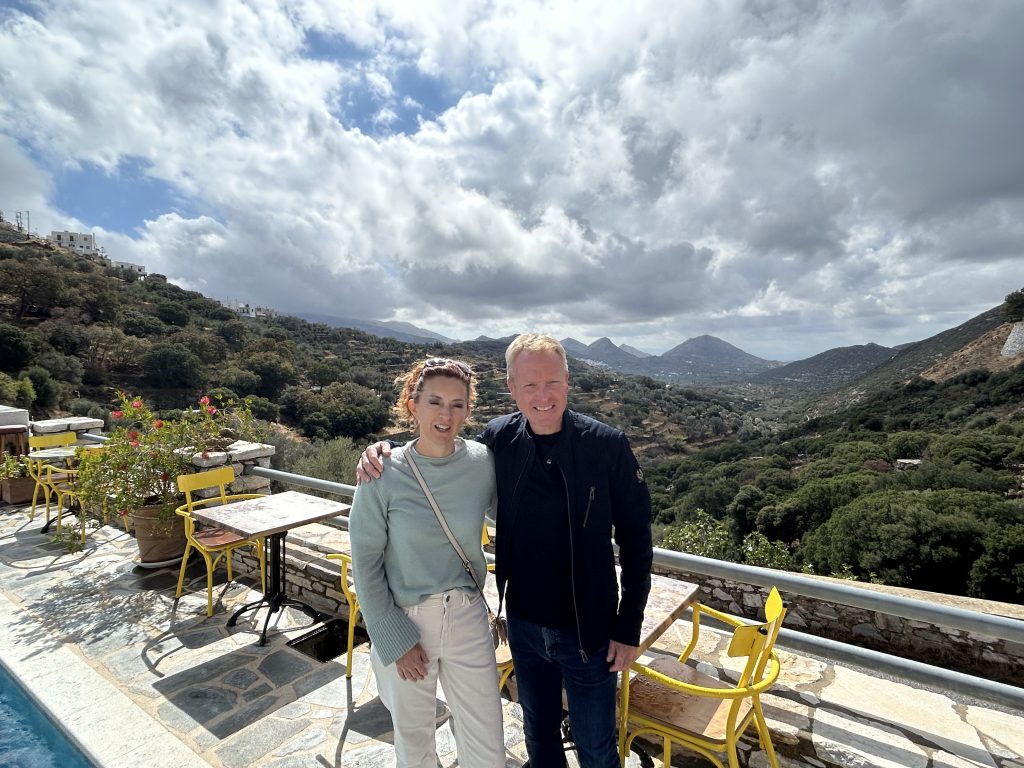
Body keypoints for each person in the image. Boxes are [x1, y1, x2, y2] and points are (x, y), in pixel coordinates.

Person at [359, 334, 653, 768]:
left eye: (551, 382)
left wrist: (628, 626)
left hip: (587, 629)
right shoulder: (498, 443)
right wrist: (378, 451)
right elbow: (436, 451)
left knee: (595, 748)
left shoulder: (604, 446)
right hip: (523, 627)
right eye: (529, 386)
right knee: (536, 738)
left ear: (568, 381)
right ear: (511, 388)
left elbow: (636, 539)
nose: (542, 396)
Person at [349, 357, 505, 768]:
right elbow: (364, 561)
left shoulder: (482, 463)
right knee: (415, 746)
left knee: (487, 743)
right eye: (435, 401)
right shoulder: (382, 472)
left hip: (469, 616)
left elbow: (514, 517)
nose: (446, 414)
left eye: (458, 404)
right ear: (412, 405)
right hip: (408, 620)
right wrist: (394, 637)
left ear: (468, 410)